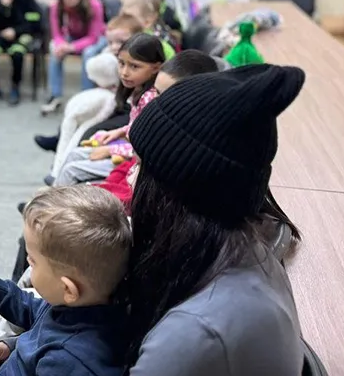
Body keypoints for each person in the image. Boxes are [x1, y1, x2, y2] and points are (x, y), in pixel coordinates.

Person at [124, 64, 306, 375]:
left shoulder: (197, 330)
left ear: (172, 194)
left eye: (141, 167)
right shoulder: (241, 245)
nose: (132, 178)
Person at [0, 186, 130, 376]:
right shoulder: (76, 308)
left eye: (33, 262)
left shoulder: (70, 360)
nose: (27, 263)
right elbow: (33, 310)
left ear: (68, 289)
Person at [94, 49, 221, 208]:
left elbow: (147, 201)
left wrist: (100, 198)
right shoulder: (160, 120)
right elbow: (133, 165)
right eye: (157, 92)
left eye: (166, 95)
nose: (155, 101)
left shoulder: (184, 144)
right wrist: (104, 188)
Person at [47, 33, 165, 186]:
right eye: (121, 63)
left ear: (156, 67)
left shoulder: (150, 98)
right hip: (126, 151)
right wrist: (120, 132)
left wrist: (111, 150)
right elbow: (136, 127)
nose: (124, 72)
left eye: (134, 66)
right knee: (74, 154)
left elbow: (147, 147)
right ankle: (51, 200)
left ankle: (53, 207)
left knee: (72, 170)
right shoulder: (137, 90)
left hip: (135, 163)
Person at [33, 13, 143, 152]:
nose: (115, 47)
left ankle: (70, 147)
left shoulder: (137, 62)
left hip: (124, 108)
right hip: (109, 98)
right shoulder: (107, 54)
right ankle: (60, 137)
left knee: (89, 128)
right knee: (77, 107)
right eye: (110, 42)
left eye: (121, 42)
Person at [42, 0, 105, 114]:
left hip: (96, 38)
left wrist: (71, 47)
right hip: (73, 36)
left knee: (88, 53)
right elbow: (56, 34)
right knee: (54, 49)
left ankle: (86, 97)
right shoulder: (56, 6)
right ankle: (55, 95)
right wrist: (61, 45)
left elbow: (93, 37)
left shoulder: (95, 5)